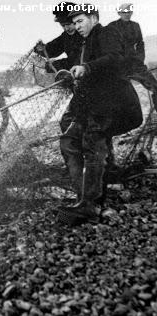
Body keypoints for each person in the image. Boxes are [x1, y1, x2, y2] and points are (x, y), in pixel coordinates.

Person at [57, 4, 143, 226]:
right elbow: (83, 67)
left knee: (93, 143)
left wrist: (87, 68)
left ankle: (90, 205)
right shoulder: (86, 41)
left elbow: (116, 58)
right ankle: (84, 199)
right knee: (68, 141)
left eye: (80, 21)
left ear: (94, 18)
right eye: (74, 23)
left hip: (115, 105)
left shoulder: (107, 33)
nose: (77, 27)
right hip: (95, 105)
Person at [109, 3, 157, 108]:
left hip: (135, 64)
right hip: (119, 65)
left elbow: (140, 43)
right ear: (119, 13)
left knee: (155, 86)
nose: (127, 14)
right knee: (117, 93)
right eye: (124, 12)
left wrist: (140, 58)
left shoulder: (135, 25)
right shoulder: (112, 26)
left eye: (129, 12)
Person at [34, 1, 83, 78]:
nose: (66, 28)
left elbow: (76, 61)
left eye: (69, 24)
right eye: (63, 25)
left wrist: (53, 65)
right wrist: (40, 49)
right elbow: (53, 49)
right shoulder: (66, 36)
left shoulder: (85, 35)